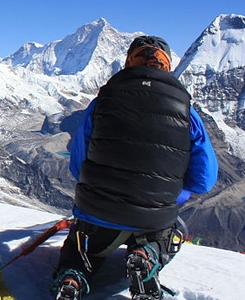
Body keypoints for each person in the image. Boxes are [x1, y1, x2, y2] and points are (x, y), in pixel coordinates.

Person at [53, 36, 218, 300]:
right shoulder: (188, 113)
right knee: (165, 236)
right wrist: (166, 191)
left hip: (97, 214)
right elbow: (204, 180)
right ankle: (146, 256)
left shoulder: (101, 104)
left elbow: (77, 166)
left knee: (81, 248)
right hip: (155, 219)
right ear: (168, 67)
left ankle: (72, 276)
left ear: (128, 63)